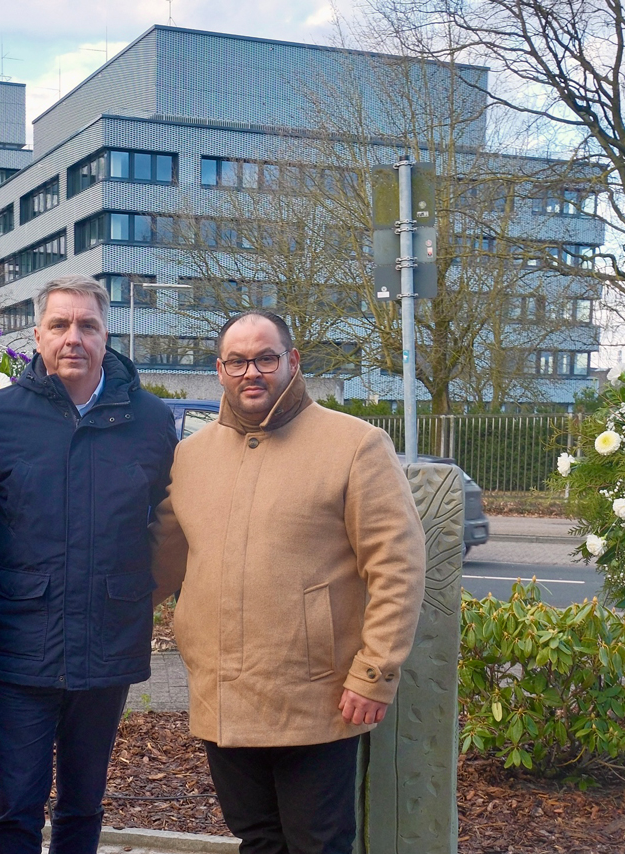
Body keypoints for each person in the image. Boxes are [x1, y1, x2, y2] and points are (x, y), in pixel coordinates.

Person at [151, 310, 427, 854]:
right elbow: (160, 561)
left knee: (317, 843)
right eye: (237, 361)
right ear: (220, 369)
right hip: (222, 693)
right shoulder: (191, 456)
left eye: (265, 358)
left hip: (317, 698)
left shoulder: (355, 444)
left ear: (293, 361)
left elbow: (397, 565)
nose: (251, 372)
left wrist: (375, 672)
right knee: (255, 838)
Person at [0, 274, 177, 854]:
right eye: (59, 325)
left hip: (108, 638)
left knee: (84, 804)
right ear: (37, 335)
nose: (73, 337)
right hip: (22, 643)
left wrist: (140, 592)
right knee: (17, 808)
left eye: (88, 324)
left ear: (107, 335)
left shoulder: (152, 421)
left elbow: (169, 521)